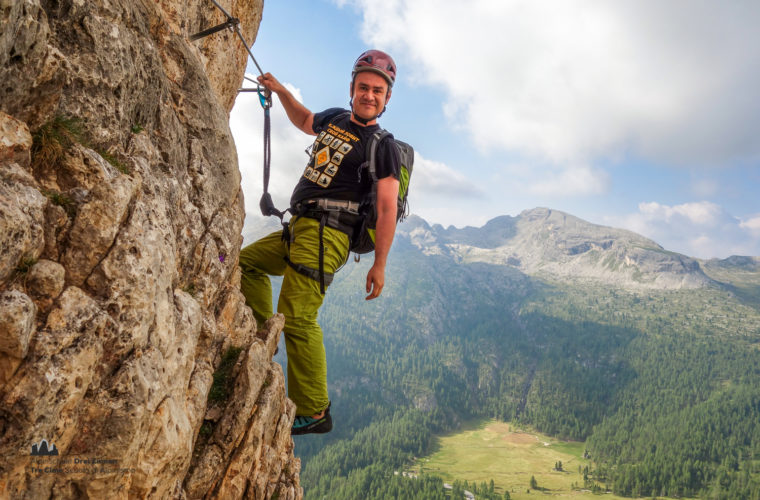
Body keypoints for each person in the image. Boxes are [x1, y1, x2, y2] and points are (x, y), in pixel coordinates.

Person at [239, 50, 401, 435]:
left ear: (387, 98)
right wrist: (279, 91)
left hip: (329, 233)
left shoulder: (382, 145)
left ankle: (314, 410)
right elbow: (305, 120)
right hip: (301, 226)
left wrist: (380, 263)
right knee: (246, 263)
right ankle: (264, 338)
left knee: (298, 317)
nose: (369, 95)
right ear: (352, 88)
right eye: (364, 87)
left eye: (377, 90)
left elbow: (387, 206)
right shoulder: (336, 119)